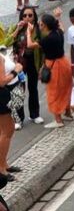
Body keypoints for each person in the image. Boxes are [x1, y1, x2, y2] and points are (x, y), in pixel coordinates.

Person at [26, 12, 72, 128]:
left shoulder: (48, 39)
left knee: (54, 92)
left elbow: (30, 45)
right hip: (64, 62)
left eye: (41, 24)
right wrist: (58, 17)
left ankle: (58, 120)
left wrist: (28, 32)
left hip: (54, 66)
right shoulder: (58, 33)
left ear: (45, 26)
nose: (39, 26)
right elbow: (62, 27)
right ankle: (68, 113)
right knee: (66, 89)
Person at [0, 44, 22, 180]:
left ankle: (4, 164)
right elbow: (1, 81)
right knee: (7, 131)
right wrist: (16, 70)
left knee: (4, 131)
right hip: (1, 96)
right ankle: (1, 168)